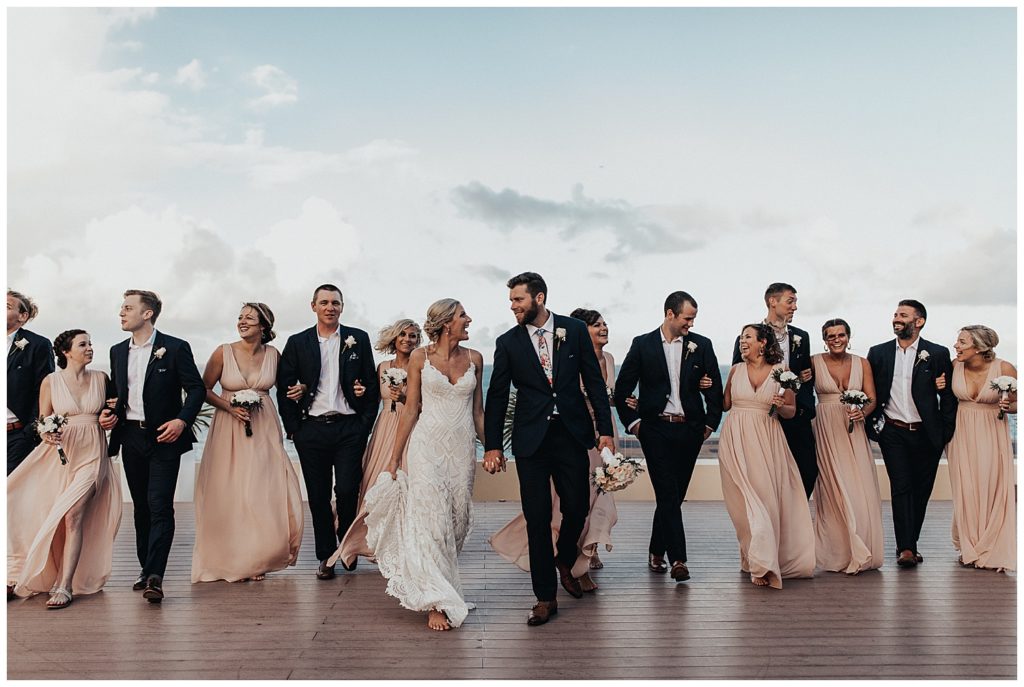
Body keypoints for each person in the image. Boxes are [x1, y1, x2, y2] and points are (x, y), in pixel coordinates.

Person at [483, 272, 614, 627]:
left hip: (571, 434)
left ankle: (565, 556)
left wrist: (606, 430)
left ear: (539, 298)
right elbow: (496, 396)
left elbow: (594, 382)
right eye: (511, 301)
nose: (513, 306)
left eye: (518, 300)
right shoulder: (508, 342)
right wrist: (493, 445)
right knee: (537, 518)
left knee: (577, 507)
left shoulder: (572, 330)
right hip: (530, 441)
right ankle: (544, 598)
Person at [363, 299, 484, 631]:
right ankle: (435, 601)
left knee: (456, 522)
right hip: (425, 448)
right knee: (431, 523)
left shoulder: (475, 359)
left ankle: (444, 587)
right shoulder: (420, 358)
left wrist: (493, 449)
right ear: (446, 323)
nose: (469, 319)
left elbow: (478, 413)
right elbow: (411, 409)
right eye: (463, 315)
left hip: (461, 452)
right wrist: (393, 458)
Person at [101, 290, 205, 603]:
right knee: (142, 508)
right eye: (122, 307)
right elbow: (119, 394)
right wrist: (109, 414)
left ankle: (156, 576)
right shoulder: (117, 351)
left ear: (148, 314)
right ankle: (145, 568)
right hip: (130, 437)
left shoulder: (174, 348)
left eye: (128, 308)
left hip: (164, 437)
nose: (121, 313)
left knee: (160, 504)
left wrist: (181, 421)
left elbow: (197, 389)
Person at [7, 330, 122, 608]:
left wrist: (109, 419)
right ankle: (28, 571)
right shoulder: (51, 381)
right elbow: (42, 420)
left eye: (91, 343)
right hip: (61, 456)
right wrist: (47, 434)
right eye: (83, 344)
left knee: (73, 515)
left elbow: (111, 412)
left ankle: (65, 584)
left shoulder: (101, 379)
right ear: (67, 352)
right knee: (45, 513)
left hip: (92, 456)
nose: (90, 348)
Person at [614, 292, 723, 582]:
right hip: (655, 430)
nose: (691, 323)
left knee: (675, 496)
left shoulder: (703, 345)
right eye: (688, 318)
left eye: (693, 318)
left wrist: (710, 425)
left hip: (691, 429)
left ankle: (655, 549)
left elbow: (714, 390)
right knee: (667, 492)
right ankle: (678, 560)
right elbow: (622, 390)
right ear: (670, 314)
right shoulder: (642, 345)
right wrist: (635, 424)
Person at [191, 303, 304, 583]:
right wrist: (228, 407)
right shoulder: (222, 352)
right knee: (231, 489)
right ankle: (232, 557)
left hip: (264, 426)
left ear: (263, 326)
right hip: (228, 427)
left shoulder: (274, 355)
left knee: (261, 490)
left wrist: (301, 389)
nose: (242, 322)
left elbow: (288, 388)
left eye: (249, 319)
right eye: (240, 317)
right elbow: (203, 389)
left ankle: (257, 557)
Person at [276, 284, 380, 580]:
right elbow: (284, 388)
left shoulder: (357, 339)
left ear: (342, 307)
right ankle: (325, 556)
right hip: (312, 429)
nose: (330, 307)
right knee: (318, 496)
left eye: (335, 302)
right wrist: (294, 428)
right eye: (324, 302)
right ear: (313, 306)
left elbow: (370, 386)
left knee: (347, 490)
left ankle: (346, 546)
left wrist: (364, 424)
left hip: (349, 427)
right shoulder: (297, 342)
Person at [719, 324, 815, 588]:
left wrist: (781, 405)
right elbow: (725, 404)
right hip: (734, 438)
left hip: (766, 438)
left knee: (763, 501)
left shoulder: (783, 372)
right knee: (740, 505)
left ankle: (764, 563)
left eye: (747, 337)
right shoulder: (736, 369)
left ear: (763, 343)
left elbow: (791, 412)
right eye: (741, 338)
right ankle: (753, 555)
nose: (742, 341)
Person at [866, 299, 957, 568]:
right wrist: (875, 428)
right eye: (895, 314)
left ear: (919, 322)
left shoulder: (937, 353)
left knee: (921, 491)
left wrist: (944, 431)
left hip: (927, 434)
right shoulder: (879, 352)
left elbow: (948, 396)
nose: (896, 318)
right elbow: (871, 391)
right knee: (902, 487)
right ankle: (906, 548)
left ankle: (910, 543)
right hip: (893, 432)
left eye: (903, 315)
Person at [328, 318, 421, 570]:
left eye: (412, 336)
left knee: (408, 483)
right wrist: (360, 391)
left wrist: (404, 397)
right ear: (394, 339)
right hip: (385, 427)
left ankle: (403, 545)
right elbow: (369, 396)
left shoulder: (422, 366)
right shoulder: (382, 367)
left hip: (412, 428)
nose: (407, 340)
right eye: (402, 335)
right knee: (371, 484)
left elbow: (425, 403)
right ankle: (358, 541)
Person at [810, 319, 884, 574]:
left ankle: (861, 544)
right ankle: (837, 552)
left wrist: (862, 412)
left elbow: (872, 398)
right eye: (831, 336)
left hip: (853, 431)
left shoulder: (862, 363)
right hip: (825, 429)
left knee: (858, 487)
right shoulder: (813, 361)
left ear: (848, 336)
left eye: (841, 335)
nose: (836, 339)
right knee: (832, 490)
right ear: (824, 339)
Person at [732, 283, 816, 497]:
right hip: (763, 419)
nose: (795, 307)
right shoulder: (747, 337)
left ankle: (794, 519)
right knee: (765, 476)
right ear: (772, 301)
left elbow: (804, 376)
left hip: (795, 415)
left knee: (807, 470)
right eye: (791, 301)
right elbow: (738, 375)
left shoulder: (801, 337)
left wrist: (799, 392)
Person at [944, 325, 1015, 572]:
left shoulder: (1004, 368)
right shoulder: (955, 366)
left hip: (991, 432)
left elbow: (1018, 402)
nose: (956, 346)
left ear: (979, 347)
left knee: (991, 484)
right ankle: (969, 546)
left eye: (962, 342)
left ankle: (991, 544)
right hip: (960, 432)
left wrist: (1008, 406)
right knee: (966, 487)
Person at [7, 289, 54, 475]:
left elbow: (43, 390)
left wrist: (30, 432)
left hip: (17, 435)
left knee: (10, 491)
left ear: (23, 316)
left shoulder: (38, 345)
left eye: (7, 306)